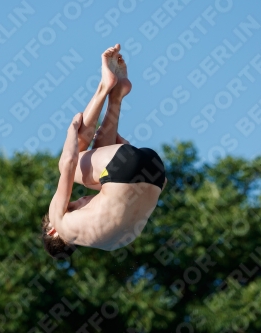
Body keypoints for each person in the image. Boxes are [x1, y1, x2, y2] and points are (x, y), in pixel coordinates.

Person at [42, 44, 167, 259]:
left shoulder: (111, 243)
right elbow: (70, 164)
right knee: (66, 165)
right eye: (75, 204)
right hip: (126, 169)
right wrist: (71, 131)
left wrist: (127, 152)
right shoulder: (58, 223)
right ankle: (104, 87)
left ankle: (116, 95)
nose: (81, 199)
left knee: (101, 177)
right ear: (52, 231)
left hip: (156, 172)